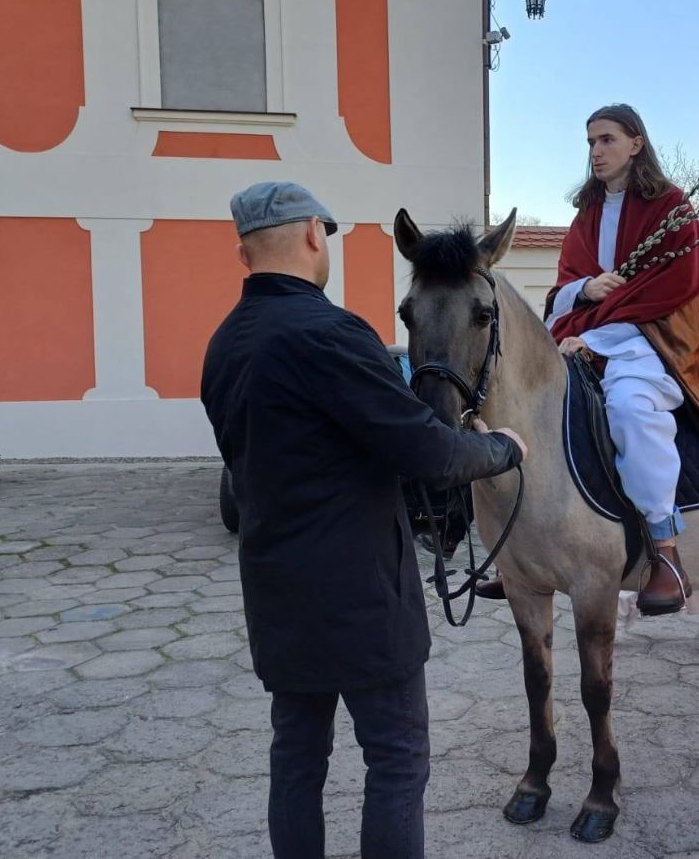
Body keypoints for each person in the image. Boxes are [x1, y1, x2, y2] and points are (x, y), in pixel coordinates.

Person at [200, 181, 528, 859]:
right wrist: (502, 448)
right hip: (362, 596)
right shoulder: (332, 332)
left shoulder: (224, 343)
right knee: (398, 761)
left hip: (276, 594)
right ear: (314, 236)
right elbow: (429, 450)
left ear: (243, 252)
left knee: (296, 761)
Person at [535, 103, 699, 615]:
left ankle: (666, 551)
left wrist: (602, 338)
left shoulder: (672, 209)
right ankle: (535, 549)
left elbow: (678, 291)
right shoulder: (585, 215)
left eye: (607, 140)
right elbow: (564, 286)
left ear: (636, 143)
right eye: (590, 142)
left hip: (651, 346)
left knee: (633, 409)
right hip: (581, 336)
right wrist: (585, 289)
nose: (596, 151)